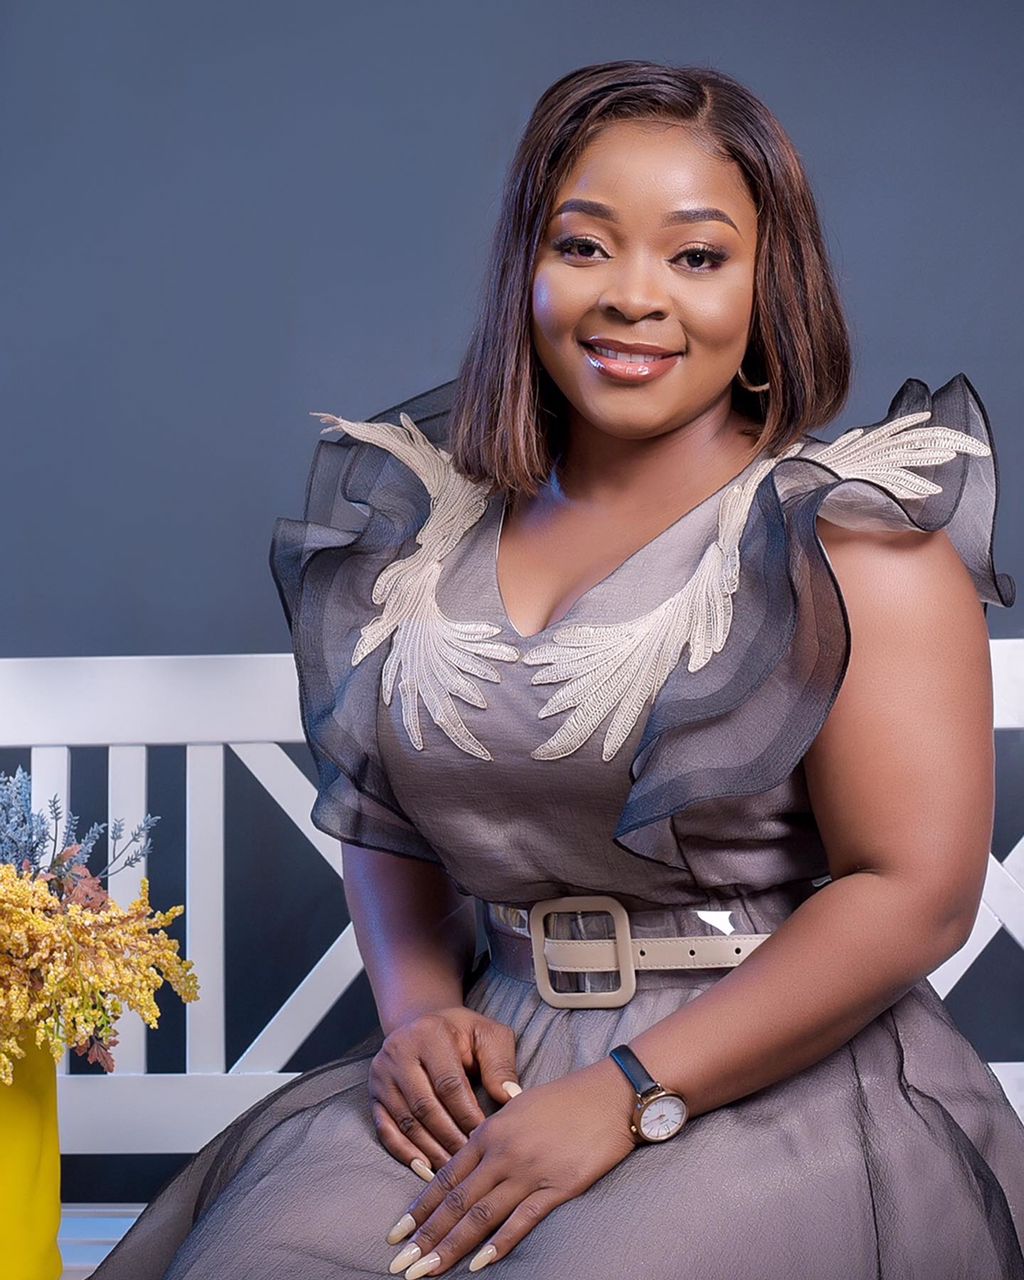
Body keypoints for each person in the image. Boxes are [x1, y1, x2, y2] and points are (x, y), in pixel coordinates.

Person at [91, 60, 1024, 1280]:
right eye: (586, 246)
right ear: (525, 266)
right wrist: (419, 1007)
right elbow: (385, 803)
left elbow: (914, 891)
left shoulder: (850, 542)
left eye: (697, 257)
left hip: (771, 1063)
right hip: (499, 1057)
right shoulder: (422, 531)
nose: (635, 296)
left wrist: (631, 1090)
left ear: (766, 284)